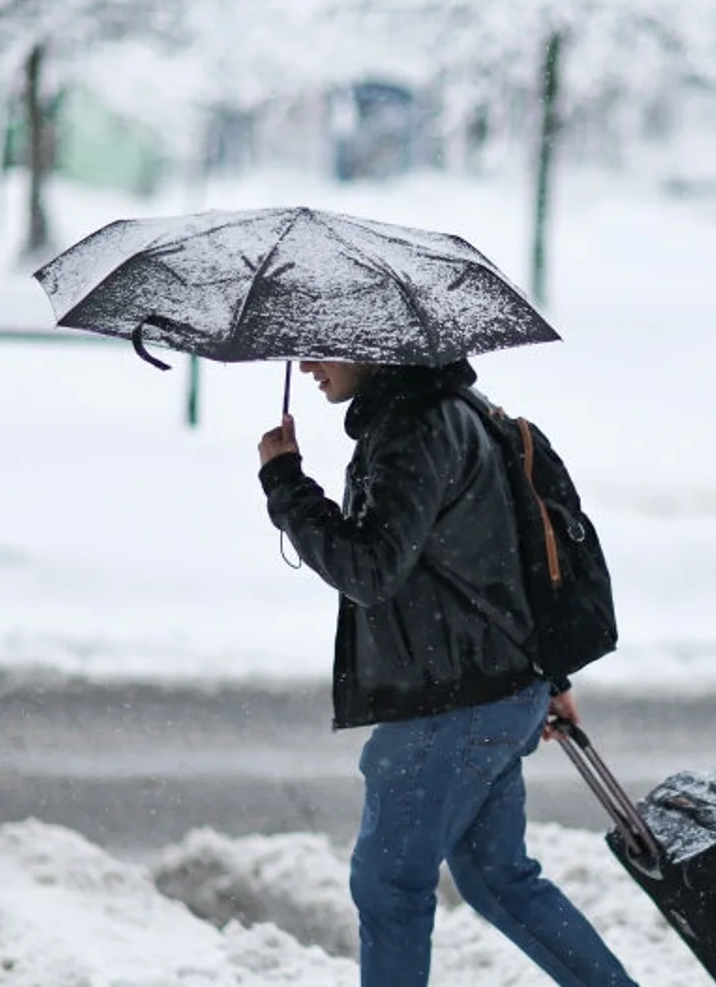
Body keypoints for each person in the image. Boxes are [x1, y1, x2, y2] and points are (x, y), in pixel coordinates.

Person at [257, 357, 637, 987]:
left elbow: (370, 569)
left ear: (369, 346)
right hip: (495, 687)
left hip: (449, 705)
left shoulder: (416, 426)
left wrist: (285, 481)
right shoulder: (456, 410)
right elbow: (496, 556)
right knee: (498, 878)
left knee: (389, 887)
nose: (306, 364)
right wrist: (552, 677)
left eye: (322, 346)